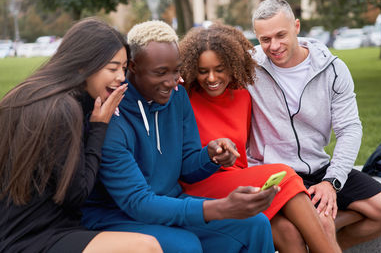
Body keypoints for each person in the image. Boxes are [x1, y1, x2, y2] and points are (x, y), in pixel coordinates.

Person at [81, 20, 277, 253]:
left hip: (169, 203)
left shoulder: (177, 97)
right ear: (132, 67)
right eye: (160, 73)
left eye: (176, 71)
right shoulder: (112, 114)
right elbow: (137, 202)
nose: (171, 81)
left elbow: (187, 167)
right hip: (117, 215)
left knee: (255, 224)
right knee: (185, 246)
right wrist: (221, 207)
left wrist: (211, 156)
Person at [247, 0, 381, 250]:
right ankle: (320, 235)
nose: (273, 46)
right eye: (265, 39)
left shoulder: (333, 69)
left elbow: (349, 128)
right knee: (323, 221)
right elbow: (209, 70)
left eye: (280, 35)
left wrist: (332, 181)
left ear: (296, 26)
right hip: (276, 172)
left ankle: (318, 241)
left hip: (318, 167)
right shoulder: (248, 67)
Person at [0, 18, 162, 253]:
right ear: (82, 66)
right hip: (33, 236)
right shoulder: (64, 109)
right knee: (146, 247)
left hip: (12, 227)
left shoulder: (29, 92)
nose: (121, 78)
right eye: (112, 68)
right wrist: (99, 127)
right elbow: (76, 194)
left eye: (124, 68)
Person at [179, 23, 341, 253]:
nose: (212, 78)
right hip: (199, 185)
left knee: (288, 233)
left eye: (220, 68)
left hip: (237, 180)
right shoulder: (183, 95)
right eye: (203, 71)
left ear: (232, 64)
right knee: (285, 175)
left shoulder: (243, 95)